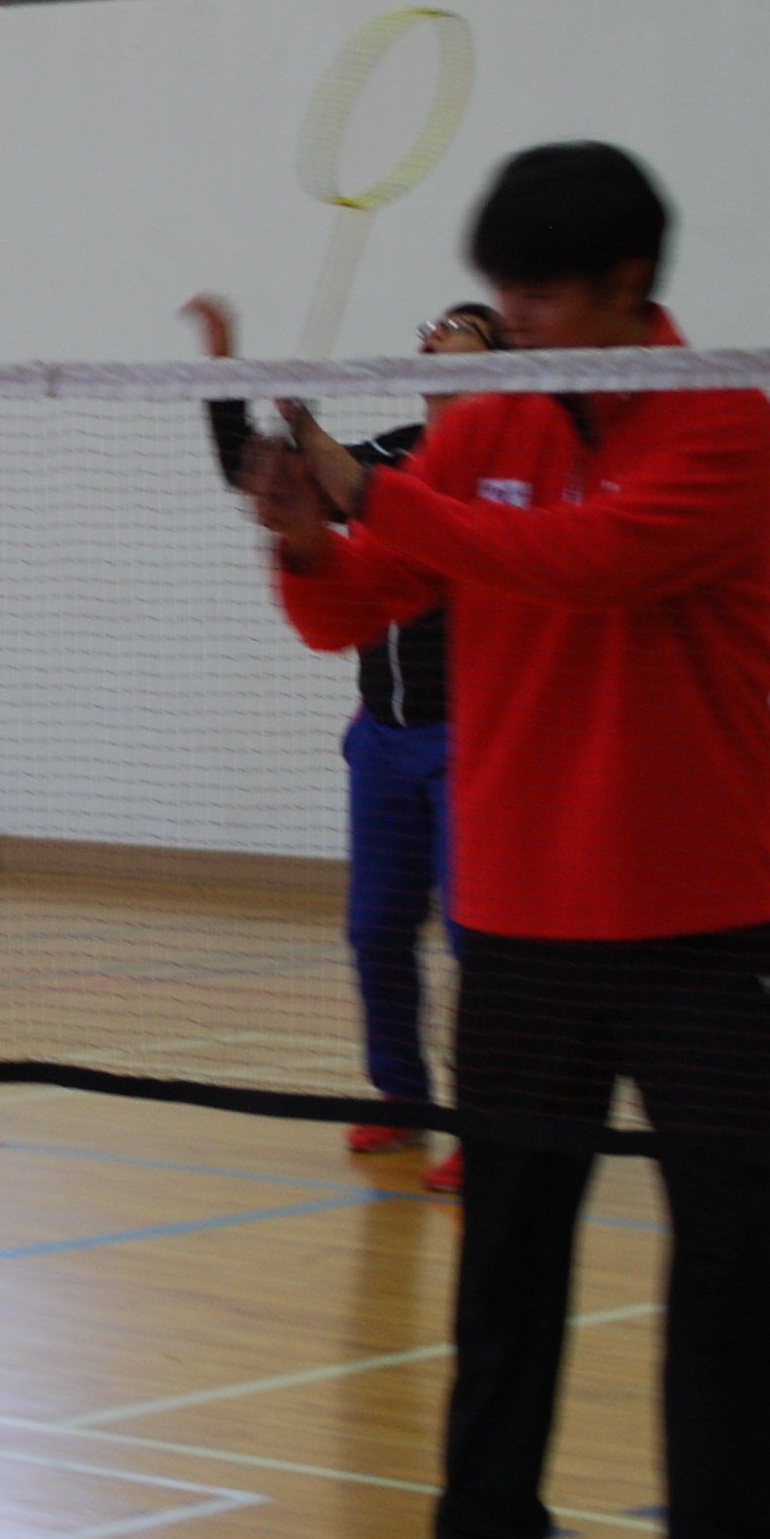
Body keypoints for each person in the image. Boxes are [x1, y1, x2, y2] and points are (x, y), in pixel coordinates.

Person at [243, 143, 770, 1539]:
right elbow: (354, 606)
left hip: (704, 926)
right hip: (514, 925)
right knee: (504, 1263)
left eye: (543, 291)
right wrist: (301, 532)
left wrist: (377, 493)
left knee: (728, 1273)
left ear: (630, 288)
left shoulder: (725, 419)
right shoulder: (486, 421)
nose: (513, 316)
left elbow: (592, 567)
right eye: (500, 288)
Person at [184, 292, 503, 1188]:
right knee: (375, 929)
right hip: (383, 741)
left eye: (459, 330)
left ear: (506, 361)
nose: (433, 338)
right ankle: (401, 1097)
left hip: (474, 743)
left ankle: (485, 1124)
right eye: (429, 329)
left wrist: (312, 438)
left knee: (478, 940)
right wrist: (227, 367)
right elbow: (252, 471)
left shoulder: (503, 471)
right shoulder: (388, 455)